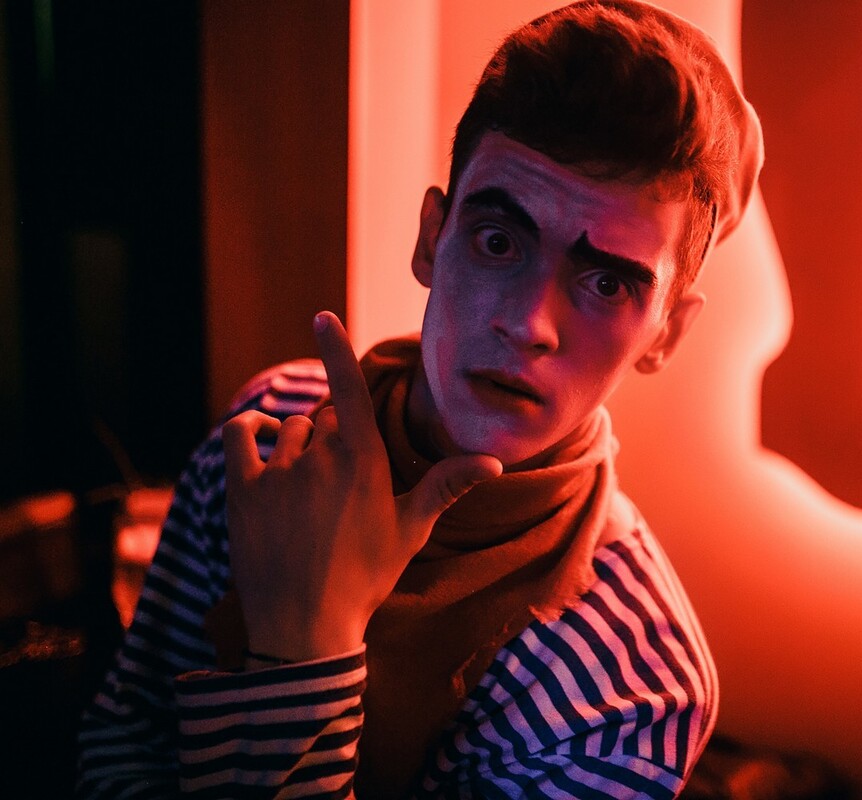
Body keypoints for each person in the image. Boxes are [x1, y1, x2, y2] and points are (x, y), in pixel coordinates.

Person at [77, 1, 762, 796]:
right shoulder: (275, 436)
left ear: (667, 333)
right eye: (498, 241)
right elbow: (128, 733)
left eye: (606, 284)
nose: (528, 323)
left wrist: (305, 648)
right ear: (433, 237)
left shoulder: (634, 686)